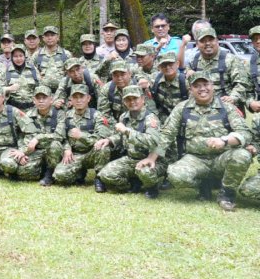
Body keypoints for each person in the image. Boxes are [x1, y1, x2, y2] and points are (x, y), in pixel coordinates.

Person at [161, 72, 251, 211]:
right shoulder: (182, 108)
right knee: (175, 175)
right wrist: (152, 157)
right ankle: (204, 184)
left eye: (205, 84)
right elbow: (166, 134)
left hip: (221, 158)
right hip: (194, 159)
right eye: (197, 86)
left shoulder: (227, 107)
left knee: (242, 155)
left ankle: (227, 194)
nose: (202, 89)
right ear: (190, 89)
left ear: (212, 86)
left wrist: (225, 140)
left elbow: (245, 133)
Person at [98, 85, 166, 198]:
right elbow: (120, 136)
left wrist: (127, 131)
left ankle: (152, 186)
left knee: (146, 172)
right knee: (105, 175)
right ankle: (133, 184)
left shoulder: (151, 118)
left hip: (152, 159)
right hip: (131, 159)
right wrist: (109, 140)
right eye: (128, 99)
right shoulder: (124, 117)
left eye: (135, 98)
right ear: (124, 102)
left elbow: (153, 141)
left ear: (143, 99)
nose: (132, 102)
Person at [52, 84, 113, 190]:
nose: (78, 100)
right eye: (75, 97)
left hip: (91, 153)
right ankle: (79, 173)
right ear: (70, 99)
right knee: (60, 176)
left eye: (82, 97)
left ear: (88, 98)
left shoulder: (97, 116)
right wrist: (67, 148)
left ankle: (99, 178)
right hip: (74, 155)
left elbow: (101, 138)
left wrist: (81, 136)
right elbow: (59, 136)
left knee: (103, 147)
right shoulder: (66, 116)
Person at [186, 27, 250, 110]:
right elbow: (188, 87)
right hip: (201, 109)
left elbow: (242, 84)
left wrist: (232, 98)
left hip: (227, 107)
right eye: (203, 41)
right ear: (197, 44)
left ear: (217, 41)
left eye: (211, 40)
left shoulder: (231, 60)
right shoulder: (192, 61)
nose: (207, 43)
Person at [25, 85, 66, 186]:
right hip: (36, 150)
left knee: (55, 145)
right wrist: (23, 152)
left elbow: (59, 136)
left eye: (44, 98)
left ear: (51, 100)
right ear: (34, 100)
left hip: (53, 151)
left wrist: (38, 138)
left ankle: (50, 173)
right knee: (23, 172)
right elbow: (24, 136)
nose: (41, 101)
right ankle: (40, 169)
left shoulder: (59, 114)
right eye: (38, 98)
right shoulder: (29, 115)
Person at [0, 44, 40, 111]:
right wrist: (8, 88)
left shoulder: (33, 70)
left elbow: (40, 86)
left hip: (32, 109)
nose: (18, 59)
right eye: (15, 56)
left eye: (21, 56)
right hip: (13, 109)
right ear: (12, 57)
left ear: (25, 56)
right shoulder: (7, 72)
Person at [31, 26, 70, 92]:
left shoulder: (66, 55)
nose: (49, 38)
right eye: (47, 35)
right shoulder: (36, 55)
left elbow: (71, 74)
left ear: (58, 37)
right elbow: (31, 74)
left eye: (52, 35)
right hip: (42, 95)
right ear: (43, 38)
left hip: (62, 92)